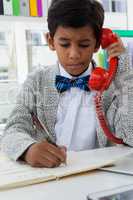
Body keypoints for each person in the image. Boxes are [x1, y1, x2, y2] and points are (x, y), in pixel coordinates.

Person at [1, 0, 132, 168]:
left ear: (98, 44)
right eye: (64, 44)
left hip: (99, 178)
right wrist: (28, 149)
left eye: (84, 44)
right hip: (50, 179)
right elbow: (12, 129)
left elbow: (130, 134)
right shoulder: (36, 81)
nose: (74, 54)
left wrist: (125, 73)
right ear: (50, 41)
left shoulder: (113, 86)